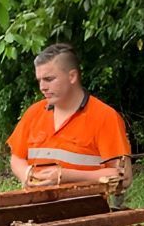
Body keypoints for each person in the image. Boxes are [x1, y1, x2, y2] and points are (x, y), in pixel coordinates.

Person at [7, 43, 132, 188]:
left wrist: (66, 177)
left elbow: (124, 177)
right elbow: (16, 157)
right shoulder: (34, 113)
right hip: (35, 207)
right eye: (39, 80)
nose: (42, 87)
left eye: (49, 79)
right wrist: (26, 173)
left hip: (87, 209)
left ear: (72, 76)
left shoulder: (104, 117)